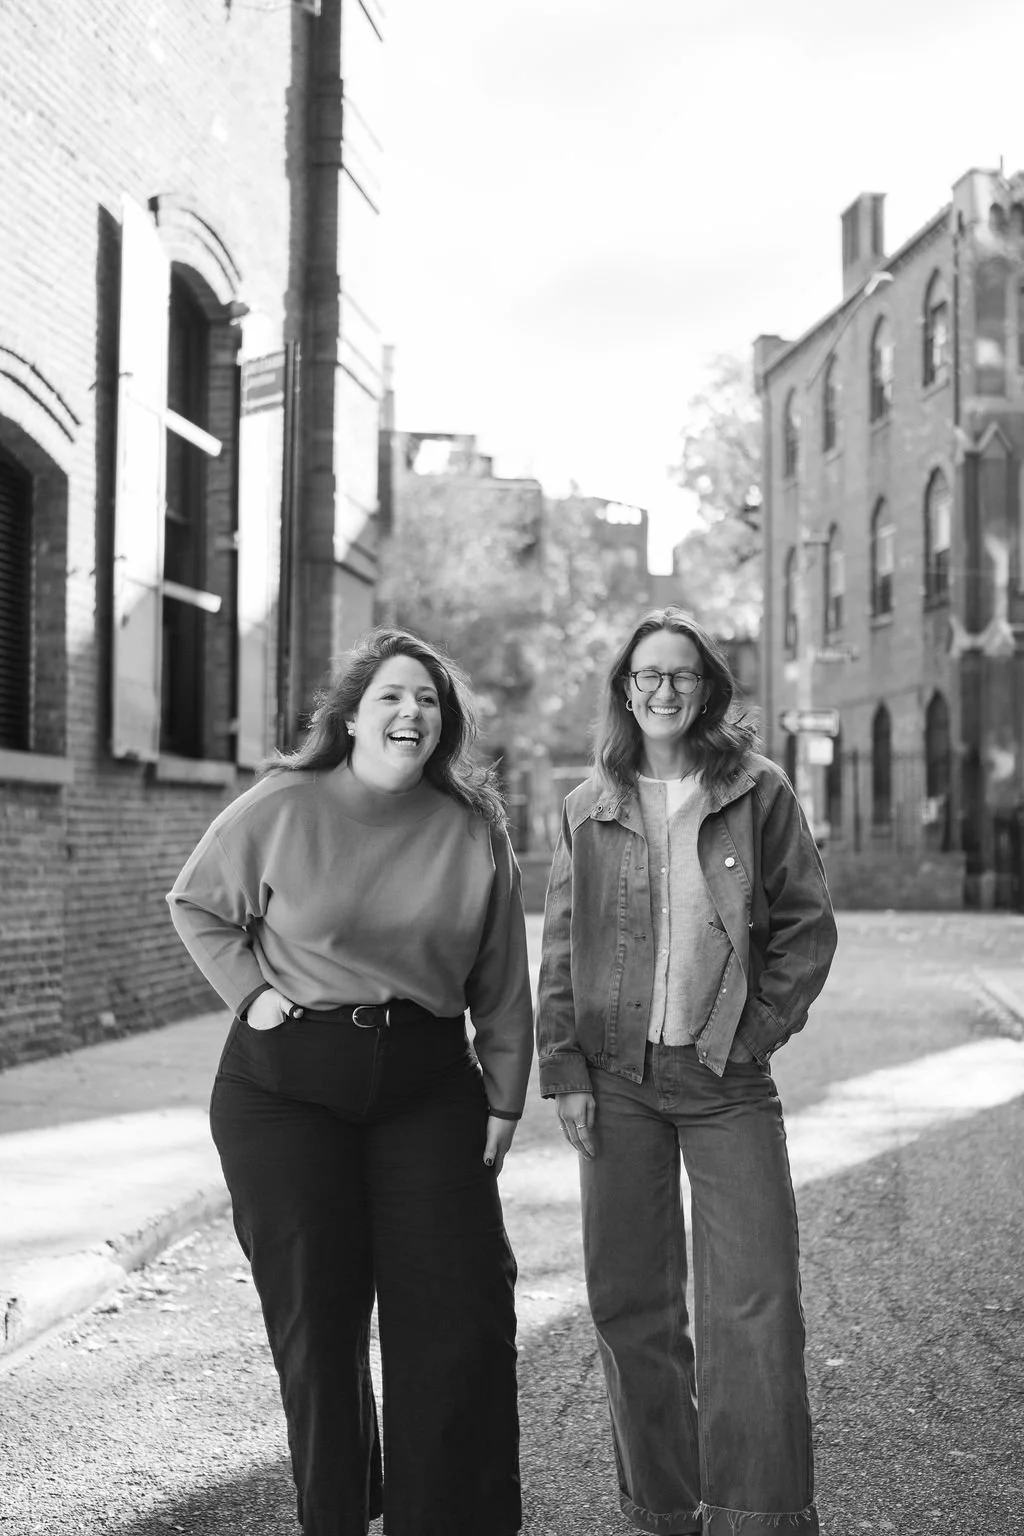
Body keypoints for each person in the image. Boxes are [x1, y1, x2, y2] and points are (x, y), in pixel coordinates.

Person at [167, 627, 533, 1536]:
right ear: (355, 716)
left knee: (460, 1316)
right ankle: (333, 1516)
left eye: (429, 701)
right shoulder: (283, 804)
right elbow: (199, 903)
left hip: (427, 1085)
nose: (411, 712)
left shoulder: (473, 829)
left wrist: (506, 1091)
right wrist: (250, 998)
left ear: (443, 726)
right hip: (286, 1092)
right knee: (319, 1326)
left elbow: (501, 976)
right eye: (393, 698)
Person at [536, 607, 837, 1536]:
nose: (663, 691)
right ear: (625, 690)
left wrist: (751, 1034)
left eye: (681, 676)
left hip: (724, 1083)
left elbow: (805, 927)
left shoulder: (757, 790)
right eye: (645, 676)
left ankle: (756, 1514)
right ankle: (663, 1508)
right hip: (616, 1077)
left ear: (706, 688)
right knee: (631, 1301)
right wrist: (565, 1070)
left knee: (756, 1301)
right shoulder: (590, 806)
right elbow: (558, 949)